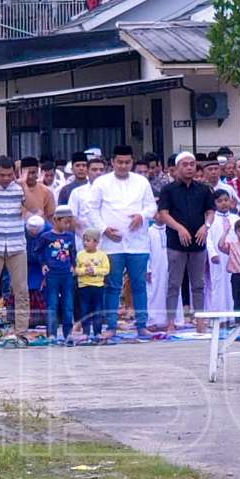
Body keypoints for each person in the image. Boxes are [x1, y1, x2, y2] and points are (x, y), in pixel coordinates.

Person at [84, 145, 157, 341]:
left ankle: (142, 326)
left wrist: (142, 215)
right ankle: (112, 327)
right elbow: (91, 209)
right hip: (111, 243)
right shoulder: (101, 183)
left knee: (139, 284)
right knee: (113, 286)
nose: (123, 166)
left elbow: (151, 206)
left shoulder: (141, 182)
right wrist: (104, 229)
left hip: (138, 243)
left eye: (127, 162)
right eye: (120, 162)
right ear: (112, 162)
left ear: (132, 162)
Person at [0, 156, 46, 335]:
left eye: (9, 174)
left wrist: (23, 185)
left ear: (14, 173)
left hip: (16, 246)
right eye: (2, 175)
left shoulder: (19, 189)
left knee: (21, 290)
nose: (6, 178)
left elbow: (35, 208)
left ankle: (21, 332)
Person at [158, 151, 216, 333]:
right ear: (176, 168)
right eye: (185, 164)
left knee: (198, 284)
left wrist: (205, 227)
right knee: (174, 283)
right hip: (176, 243)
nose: (189, 167)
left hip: (198, 243)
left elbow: (210, 212)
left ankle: (199, 321)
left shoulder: (204, 189)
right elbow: (163, 214)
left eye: (192, 164)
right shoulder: (168, 190)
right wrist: (179, 228)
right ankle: (170, 322)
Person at [40, 205, 78, 345]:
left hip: (66, 274)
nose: (67, 225)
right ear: (56, 220)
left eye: (69, 222)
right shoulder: (46, 237)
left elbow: (73, 252)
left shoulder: (70, 236)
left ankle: (68, 334)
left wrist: (74, 266)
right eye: (65, 222)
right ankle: (51, 334)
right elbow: (37, 252)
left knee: (68, 304)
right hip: (52, 275)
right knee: (52, 305)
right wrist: (43, 264)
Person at [205, 190, 239, 312]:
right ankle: (219, 316)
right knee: (218, 285)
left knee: (233, 285)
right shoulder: (211, 220)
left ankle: (234, 316)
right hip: (218, 258)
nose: (224, 203)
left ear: (230, 201)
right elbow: (207, 238)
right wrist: (213, 254)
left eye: (226, 200)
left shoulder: (236, 219)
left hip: (235, 258)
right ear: (214, 203)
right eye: (219, 201)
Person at [76, 227, 110, 342]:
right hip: (84, 286)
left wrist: (94, 270)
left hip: (98, 286)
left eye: (88, 240)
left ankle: (97, 332)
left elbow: (106, 269)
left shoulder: (102, 255)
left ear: (96, 242)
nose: (85, 243)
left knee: (98, 310)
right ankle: (85, 332)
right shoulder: (80, 255)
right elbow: (75, 270)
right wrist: (84, 271)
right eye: (84, 240)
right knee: (85, 309)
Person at [25, 216, 50, 331]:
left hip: (44, 265)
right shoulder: (22, 231)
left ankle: (42, 319)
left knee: (40, 289)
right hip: (25, 264)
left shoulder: (49, 232)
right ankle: (26, 320)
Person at [69, 157, 105, 232]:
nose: (98, 172)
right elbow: (72, 218)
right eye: (94, 170)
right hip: (84, 238)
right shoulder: (77, 192)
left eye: (101, 170)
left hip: (109, 238)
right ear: (87, 172)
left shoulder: (112, 191)